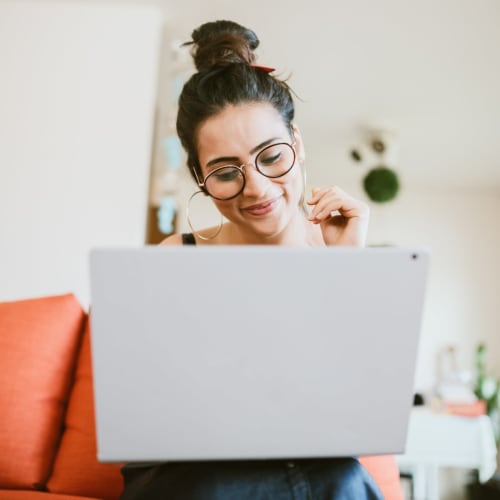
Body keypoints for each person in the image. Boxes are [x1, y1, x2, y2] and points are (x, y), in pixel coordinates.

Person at [120, 19, 381, 500]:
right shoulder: (178, 257)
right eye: (225, 172)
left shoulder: (340, 250)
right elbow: (148, 415)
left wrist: (345, 271)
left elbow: (354, 420)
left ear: (297, 144)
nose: (257, 187)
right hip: (190, 471)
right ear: (200, 177)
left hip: (313, 467)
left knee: (342, 477)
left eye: (271, 156)